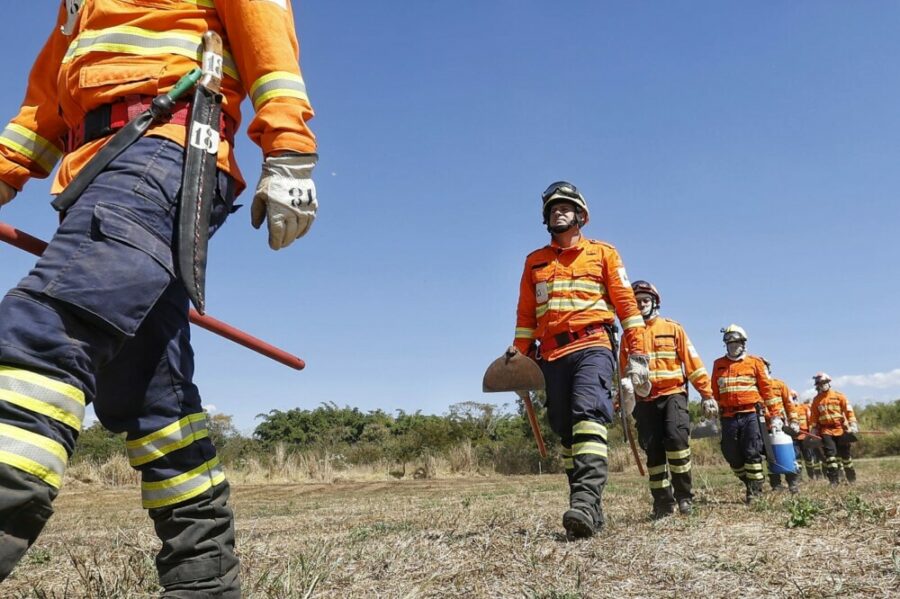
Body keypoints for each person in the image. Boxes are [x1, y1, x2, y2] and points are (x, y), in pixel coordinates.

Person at [0, 1, 317, 595]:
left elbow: (266, 33)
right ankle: (206, 584)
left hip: (166, 149)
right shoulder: (78, 7)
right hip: (96, 173)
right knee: (153, 399)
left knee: (43, 333)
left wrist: (289, 151)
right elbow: (40, 110)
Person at [510, 181, 648, 539]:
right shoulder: (534, 262)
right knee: (565, 430)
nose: (558, 210)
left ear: (581, 215)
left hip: (592, 346)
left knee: (588, 414)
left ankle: (586, 500)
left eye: (566, 206)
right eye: (553, 208)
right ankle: (586, 509)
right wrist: (518, 360)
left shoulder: (604, 254)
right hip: (550, 356)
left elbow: (627, 308)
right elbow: (526, 319)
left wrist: (638, 354)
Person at [619, 280, 714, 519]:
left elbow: (693, 363)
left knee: (676, 439)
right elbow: (623, 373)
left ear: (654, 302)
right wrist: (622, 397)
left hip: (673, 395)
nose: (640, 304)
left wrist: (707, 394)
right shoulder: (628, 337)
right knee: (653, 451)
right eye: (636, 301)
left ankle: (684, 497)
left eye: (645, 300)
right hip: (644, 401)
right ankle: (662, 503)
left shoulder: (673, 329)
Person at [707, 325, 775, 503]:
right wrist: (711, 407)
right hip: (728, 416)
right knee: (730, 452)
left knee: (751, 450)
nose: (732, 346)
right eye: (729, 343)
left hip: (751, 414)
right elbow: (714, 390)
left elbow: (767, 390)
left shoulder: (754, 362)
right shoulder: (718, 364)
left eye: (736, 343)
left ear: (743, 344)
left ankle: (754, 491)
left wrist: (775, 415)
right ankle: (748, 480)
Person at [809, 372, 858, 486]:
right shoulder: (816, 400)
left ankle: (851, 478)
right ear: (817, 385)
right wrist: (814, 430)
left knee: (845, 456)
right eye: (820, 383)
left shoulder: (839, 396)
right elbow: (814, 417)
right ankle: (834, 481)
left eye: (824, 382)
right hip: (826, 431)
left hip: (841, 429)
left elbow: (849, 411)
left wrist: (853, 424)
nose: (822, 385)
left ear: (829, 382)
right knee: (830, 456)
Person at [760, 359, 800, 493]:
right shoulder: (754, 387)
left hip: (781, 426)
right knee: (769, 456)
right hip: (763, 427)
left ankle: (792, 483)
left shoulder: (779, 385)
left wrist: (794, 421)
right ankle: (776, 485)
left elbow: (790, 405)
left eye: (763, 368)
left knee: (788, 453)